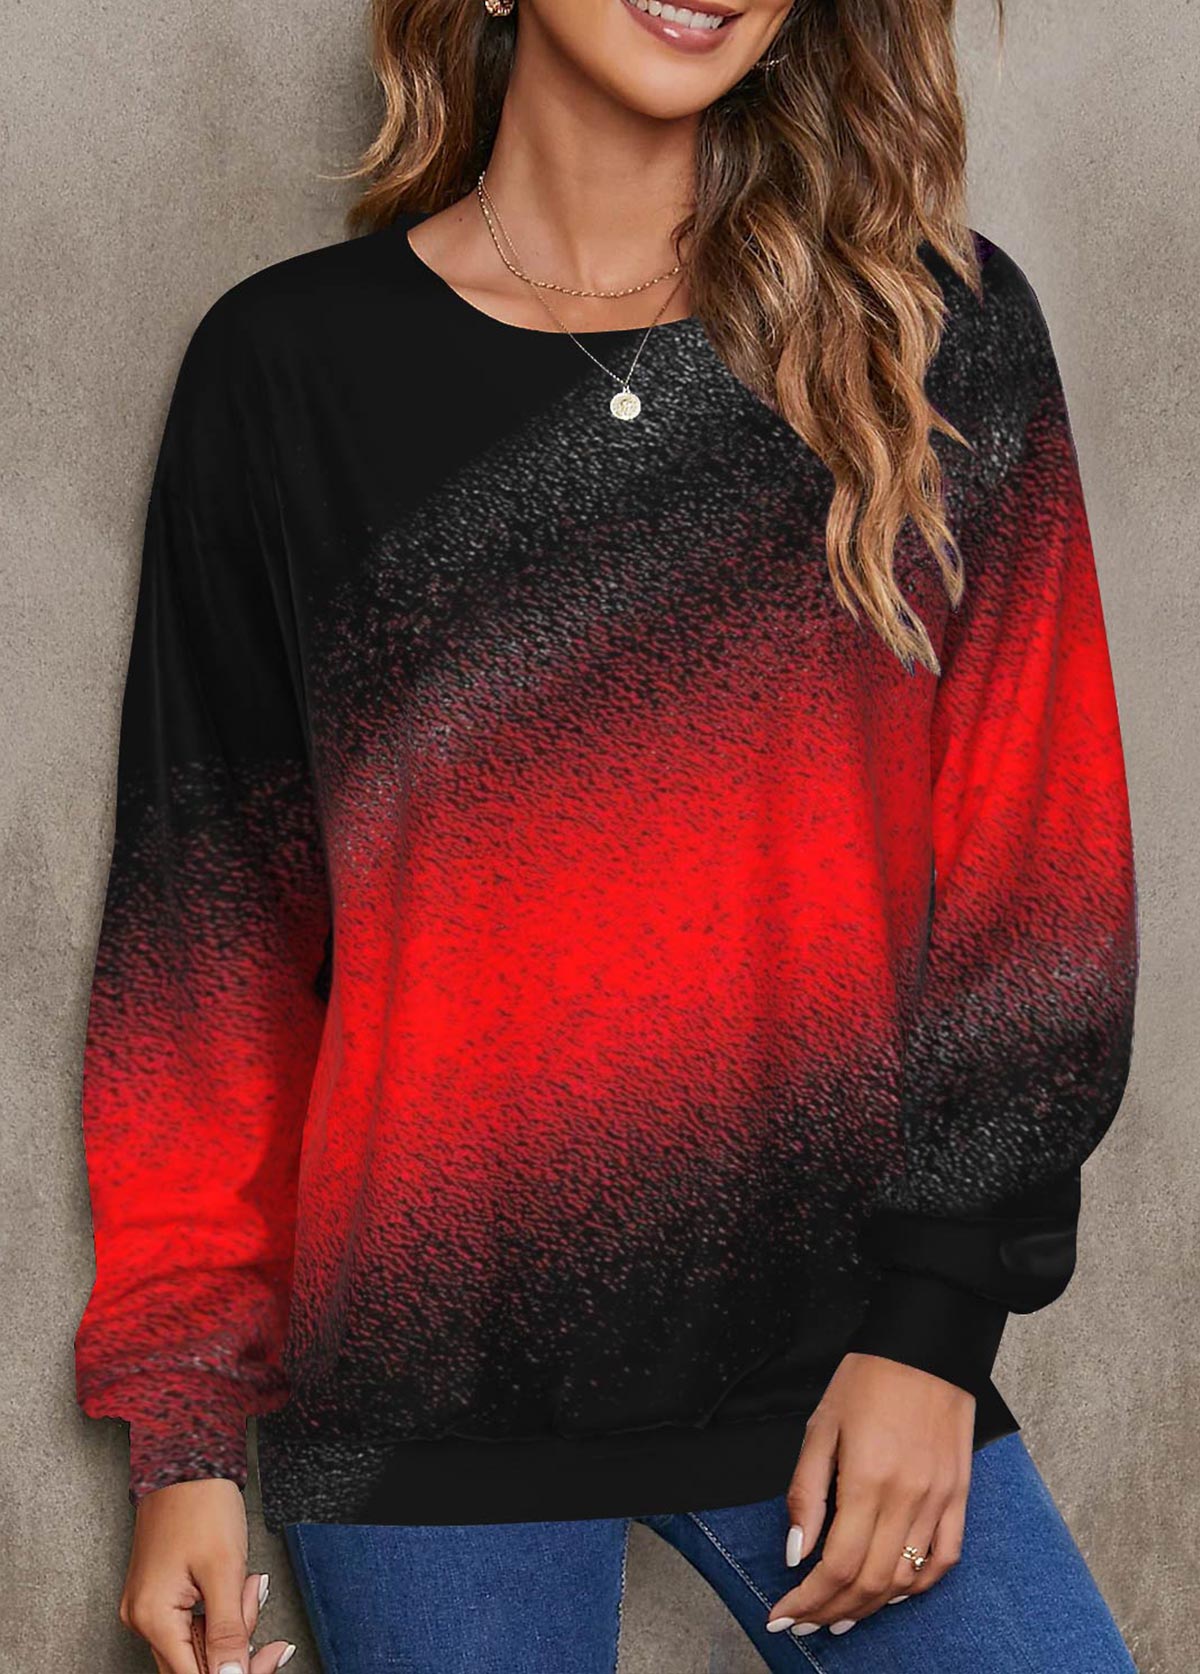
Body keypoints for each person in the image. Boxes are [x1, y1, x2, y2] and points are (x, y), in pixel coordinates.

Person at [72, 0, 1142, 1668]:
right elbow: (209, 956)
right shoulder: (285, 369)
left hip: (845, 1352)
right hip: (423, 1388)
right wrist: (187, 1432)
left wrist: (933, 1329)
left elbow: (1042, 892)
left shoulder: (939, 337)